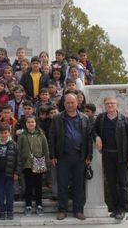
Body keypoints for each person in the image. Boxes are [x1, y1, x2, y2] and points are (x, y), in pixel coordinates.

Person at [49, 93, 93, 221]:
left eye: (72, 102)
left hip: (80, 157)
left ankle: (78, 210)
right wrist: (52, 155)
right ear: (64, 104)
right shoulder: (57, 118)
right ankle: (62, 210)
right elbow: (51, 138)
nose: (70, 105)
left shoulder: (84, 118)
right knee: (62, 184)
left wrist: (89, 155)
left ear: (77, 103)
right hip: (62, 157)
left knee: (78, 185)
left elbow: (88, 138)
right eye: (67, 103)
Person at [94, 96, 128, 221]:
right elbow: (93, 130)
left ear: (117, 105)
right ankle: (115, 208)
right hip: (107, 156)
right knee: (111, 184)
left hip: (122, 156)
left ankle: (122, 209)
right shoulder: (101, 119)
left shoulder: (125, 120)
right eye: (107, 104)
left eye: (112, 103)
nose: (110, 105)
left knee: (123, 184)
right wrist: (97, 137)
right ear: (104, 106)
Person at [17, 115, 50, 216]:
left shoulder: (41, 135)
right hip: (26, 164)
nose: (30, 124)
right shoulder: (22, 136)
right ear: (25, 124)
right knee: (28, 186)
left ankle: (39, 205)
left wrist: (46, 162)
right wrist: (19, 164)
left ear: (36, 123)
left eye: (32, 122)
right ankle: (28, 205)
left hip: (39, 162)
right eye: (28, 122)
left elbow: (46, 149)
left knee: (38, 186)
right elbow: (19, 151)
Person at [0, 123, 19, 220]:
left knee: (10, 194)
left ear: (9, 133)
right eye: (1, 133)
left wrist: (16, 172)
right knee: (0, 194)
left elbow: (18, 160)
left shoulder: (14, 144)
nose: (4, 135)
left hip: (10, 173)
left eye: (6, 133)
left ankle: (10, 211)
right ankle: (1, 212)